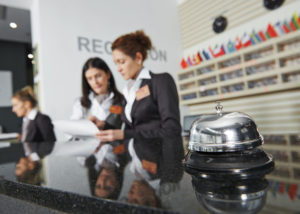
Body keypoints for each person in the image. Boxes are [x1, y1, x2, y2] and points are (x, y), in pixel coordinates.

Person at [95, 30, 182, 141]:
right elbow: (131, 128)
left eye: (121, 62)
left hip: (158, 155)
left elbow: (172, 130)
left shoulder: (160, 81)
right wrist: (102, 125)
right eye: (116, 63)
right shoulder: (128, 90)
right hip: (135, 156)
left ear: (138, 58)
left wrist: (125, 135)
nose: (118, 69)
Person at [71, 57, 123, 130]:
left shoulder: (122, 101)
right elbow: (72, 130)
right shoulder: (80, 103)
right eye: (90, 79)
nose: (95, 82)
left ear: (108, 74)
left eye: (98, 76)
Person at [11, 86, 56, 161]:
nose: (13, 109)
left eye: (15, 105)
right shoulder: (26, 120)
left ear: (27, 104)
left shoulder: (42, 119)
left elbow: (49, 145)